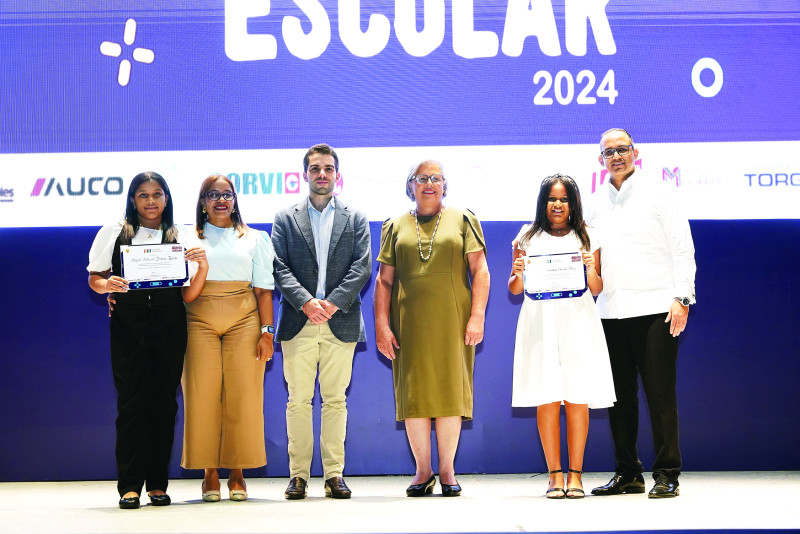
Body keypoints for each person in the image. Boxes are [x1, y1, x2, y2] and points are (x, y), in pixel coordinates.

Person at [587, 128, 696, 498]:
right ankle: (628, 473)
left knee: (660, 395)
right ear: (600, 159)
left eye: (622, 149)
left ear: (635, 152)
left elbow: (683, 248)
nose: (616, 156)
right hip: (611, 312)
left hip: (656, 309)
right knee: (618, 399)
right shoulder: (594, 202)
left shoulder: (661, 191)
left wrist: (683, 297)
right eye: (608, 152)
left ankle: (667, 474)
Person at [88, 171, 206, 509]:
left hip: (170, 324)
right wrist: (106, 286)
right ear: (133, 199)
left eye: (157, 194)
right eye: (143, 194)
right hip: (129, 325)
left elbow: (188, 291)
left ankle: (157, 484)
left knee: (164, 405)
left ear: (166, 198)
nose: (151, 201)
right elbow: (95, 279)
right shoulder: (114, 232)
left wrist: (200, 264)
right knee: (131, 405)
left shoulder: (181, 235)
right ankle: (129, 486)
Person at [375, 159, 490, 497]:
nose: (428, 184)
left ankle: (447, 470)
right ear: (410, 185)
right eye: (421, 178)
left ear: (444, 184)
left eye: (435, 178)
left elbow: (480, 270)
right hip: (407, 324)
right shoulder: (394, 225)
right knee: (415, 397)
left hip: (454, 322)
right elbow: (383, 281)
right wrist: (382, 324)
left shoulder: (463, 218)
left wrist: (477, 315)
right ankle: (423, 472)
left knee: (450, 394)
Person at [272, 144, 371, 500]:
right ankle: (298, 476)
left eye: (328, 168)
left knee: (335, 401)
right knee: (297, 401)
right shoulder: (285, 218)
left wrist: (330, 303)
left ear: (337, 175)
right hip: (298, 321)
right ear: (306, 174)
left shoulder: (355, 218)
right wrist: (307, 302)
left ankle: (334, 476)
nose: (322, 174)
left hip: (339, 320)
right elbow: (278, 267)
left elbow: (362, 266)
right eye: (315, 169)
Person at [508, 174, 616, 499]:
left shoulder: (588, 236)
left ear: (573, 203)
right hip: (539, 320)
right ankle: (555, 474)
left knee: (577, 395)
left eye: (564, 199)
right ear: (544, 202)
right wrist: (519, 271)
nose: (558, 204)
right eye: (552, 199)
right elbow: (514, 289)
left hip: (578, 320)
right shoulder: (527, 236)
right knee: (548, 396)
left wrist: (590, 269)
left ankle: (576, 475)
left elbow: (597, 288)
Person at [180, 174, 275, 502]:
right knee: (202, 394)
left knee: (243, 395)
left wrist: (267, 333)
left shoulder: (256, 237)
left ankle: (237, 471)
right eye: (213, 194)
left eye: (227, 194)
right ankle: (209, 473)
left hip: (244, 319)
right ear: (203, 202)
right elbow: (172, 284)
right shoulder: (183, 236)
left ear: (235, 200)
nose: (221, 200)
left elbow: (263, 291)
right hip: (197, 318)